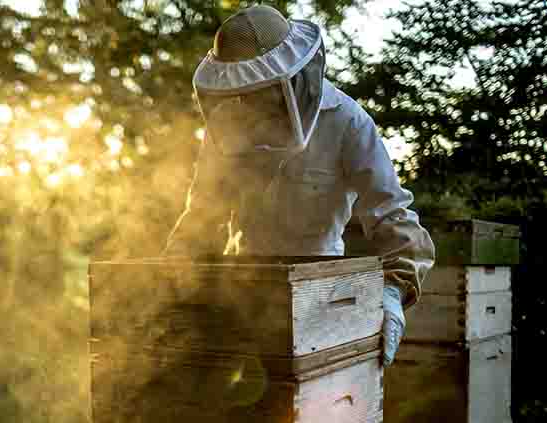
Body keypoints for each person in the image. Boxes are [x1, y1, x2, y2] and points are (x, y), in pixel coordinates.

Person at [164, 4, 435, 366]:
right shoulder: (227, 127)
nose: (252, 104)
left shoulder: (349, 122)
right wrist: (170, 287)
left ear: (293, 80)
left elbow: (393, 216)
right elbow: (201, 216)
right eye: (243, 93)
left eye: (262, 91)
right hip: (243, 287)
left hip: (322, 291)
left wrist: (393, 289)